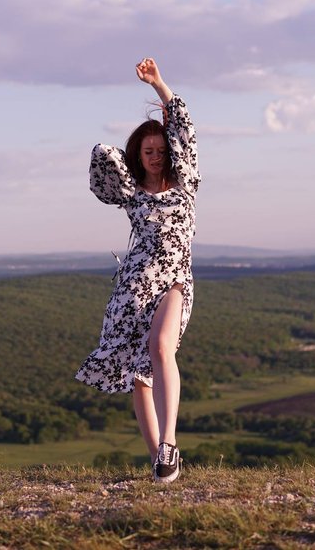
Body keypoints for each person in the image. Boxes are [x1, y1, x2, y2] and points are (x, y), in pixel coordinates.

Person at [75, 57, 200, 483]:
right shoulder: (131, 192)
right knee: (139, 376)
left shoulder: (186, 183)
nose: (155, 157)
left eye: (161, 151)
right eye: (148, 151)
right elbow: (101, 159)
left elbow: (184, 128)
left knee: (161, 347)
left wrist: (159, 85)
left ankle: (170, 443)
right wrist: (122, 155)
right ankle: (159, 462)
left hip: (175, 280)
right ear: (138, 154)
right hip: (134, 286)